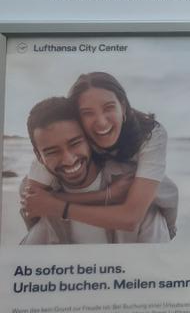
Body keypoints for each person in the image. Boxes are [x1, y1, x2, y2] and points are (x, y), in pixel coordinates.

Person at [23, 72, 177, 242]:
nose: (101, 122)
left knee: (163, 190)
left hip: (152, 197)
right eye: (87, 113)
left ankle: (170, 229)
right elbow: (32, 203)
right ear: (77, 120)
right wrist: (105, 195)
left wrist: (58, 206)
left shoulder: (151, 135)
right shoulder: (62, 140)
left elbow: (132, 217)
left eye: (109, 107)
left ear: (123, 107)